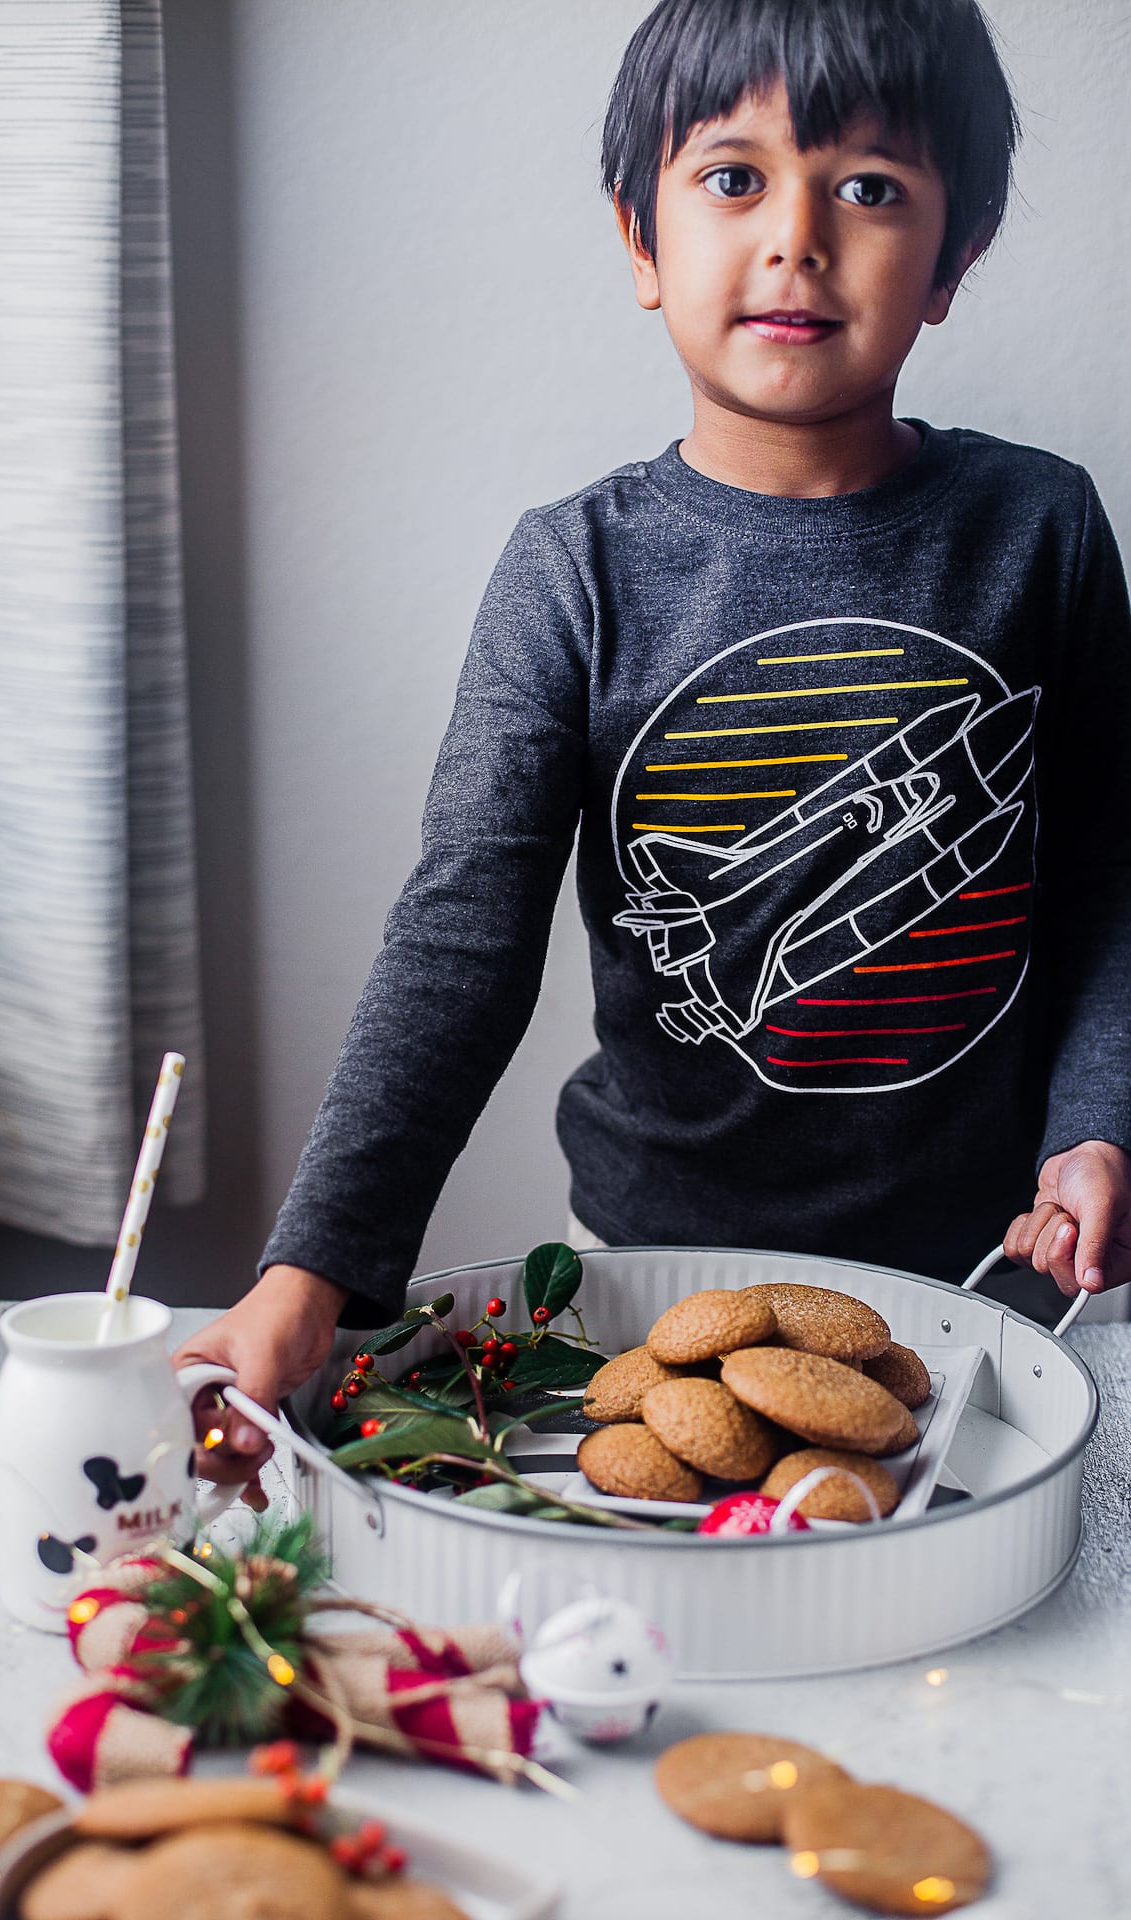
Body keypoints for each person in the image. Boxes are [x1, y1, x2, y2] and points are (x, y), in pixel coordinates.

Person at [176, 0, 1131, 1507]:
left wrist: (1097, 1127)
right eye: (734, 178)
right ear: (641, 240)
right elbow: (460, 938)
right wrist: (316, 1270)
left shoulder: (1047, 531)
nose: (798, 238)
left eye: (872, 186)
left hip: (996, 1275)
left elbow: (1100, 887)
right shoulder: (572, 570)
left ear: (956, 259)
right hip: (660, 1277)